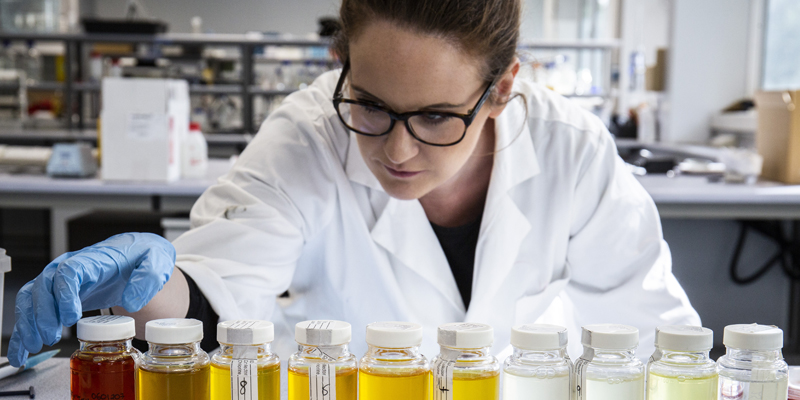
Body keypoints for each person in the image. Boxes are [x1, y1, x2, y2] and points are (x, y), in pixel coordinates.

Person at [8, 0, 699, 367]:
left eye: (435, 116)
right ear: (340, 62)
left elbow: (660, 339)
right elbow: (217, 294)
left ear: (502, 90)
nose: (396, 149)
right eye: (369, 103)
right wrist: (144, 288)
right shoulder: (308, 132)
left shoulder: (572, 152)